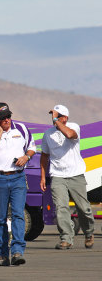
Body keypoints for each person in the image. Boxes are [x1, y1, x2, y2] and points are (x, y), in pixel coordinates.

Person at [0, 102, 36, 266]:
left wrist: (26, 157)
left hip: (18, 178)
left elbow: (32, 147)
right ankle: (2, 254)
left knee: (19, 215)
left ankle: (18, 251)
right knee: (0, 218)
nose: (6, 120)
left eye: (8, 116)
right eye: (2, 118)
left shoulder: (21, 129)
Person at [40, 105, 94, 250]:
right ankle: (66, 238)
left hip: (76, 174)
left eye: (58, 115)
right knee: (60, 208)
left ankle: (89, 233)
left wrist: (56, 121)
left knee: (84, 208)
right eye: (53, 115)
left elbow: (70, 135)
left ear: (65, 118)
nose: (54, 118)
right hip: (58, 176)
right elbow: (44, 156)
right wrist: (43, 177)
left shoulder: (74, 127)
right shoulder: (47, 134)